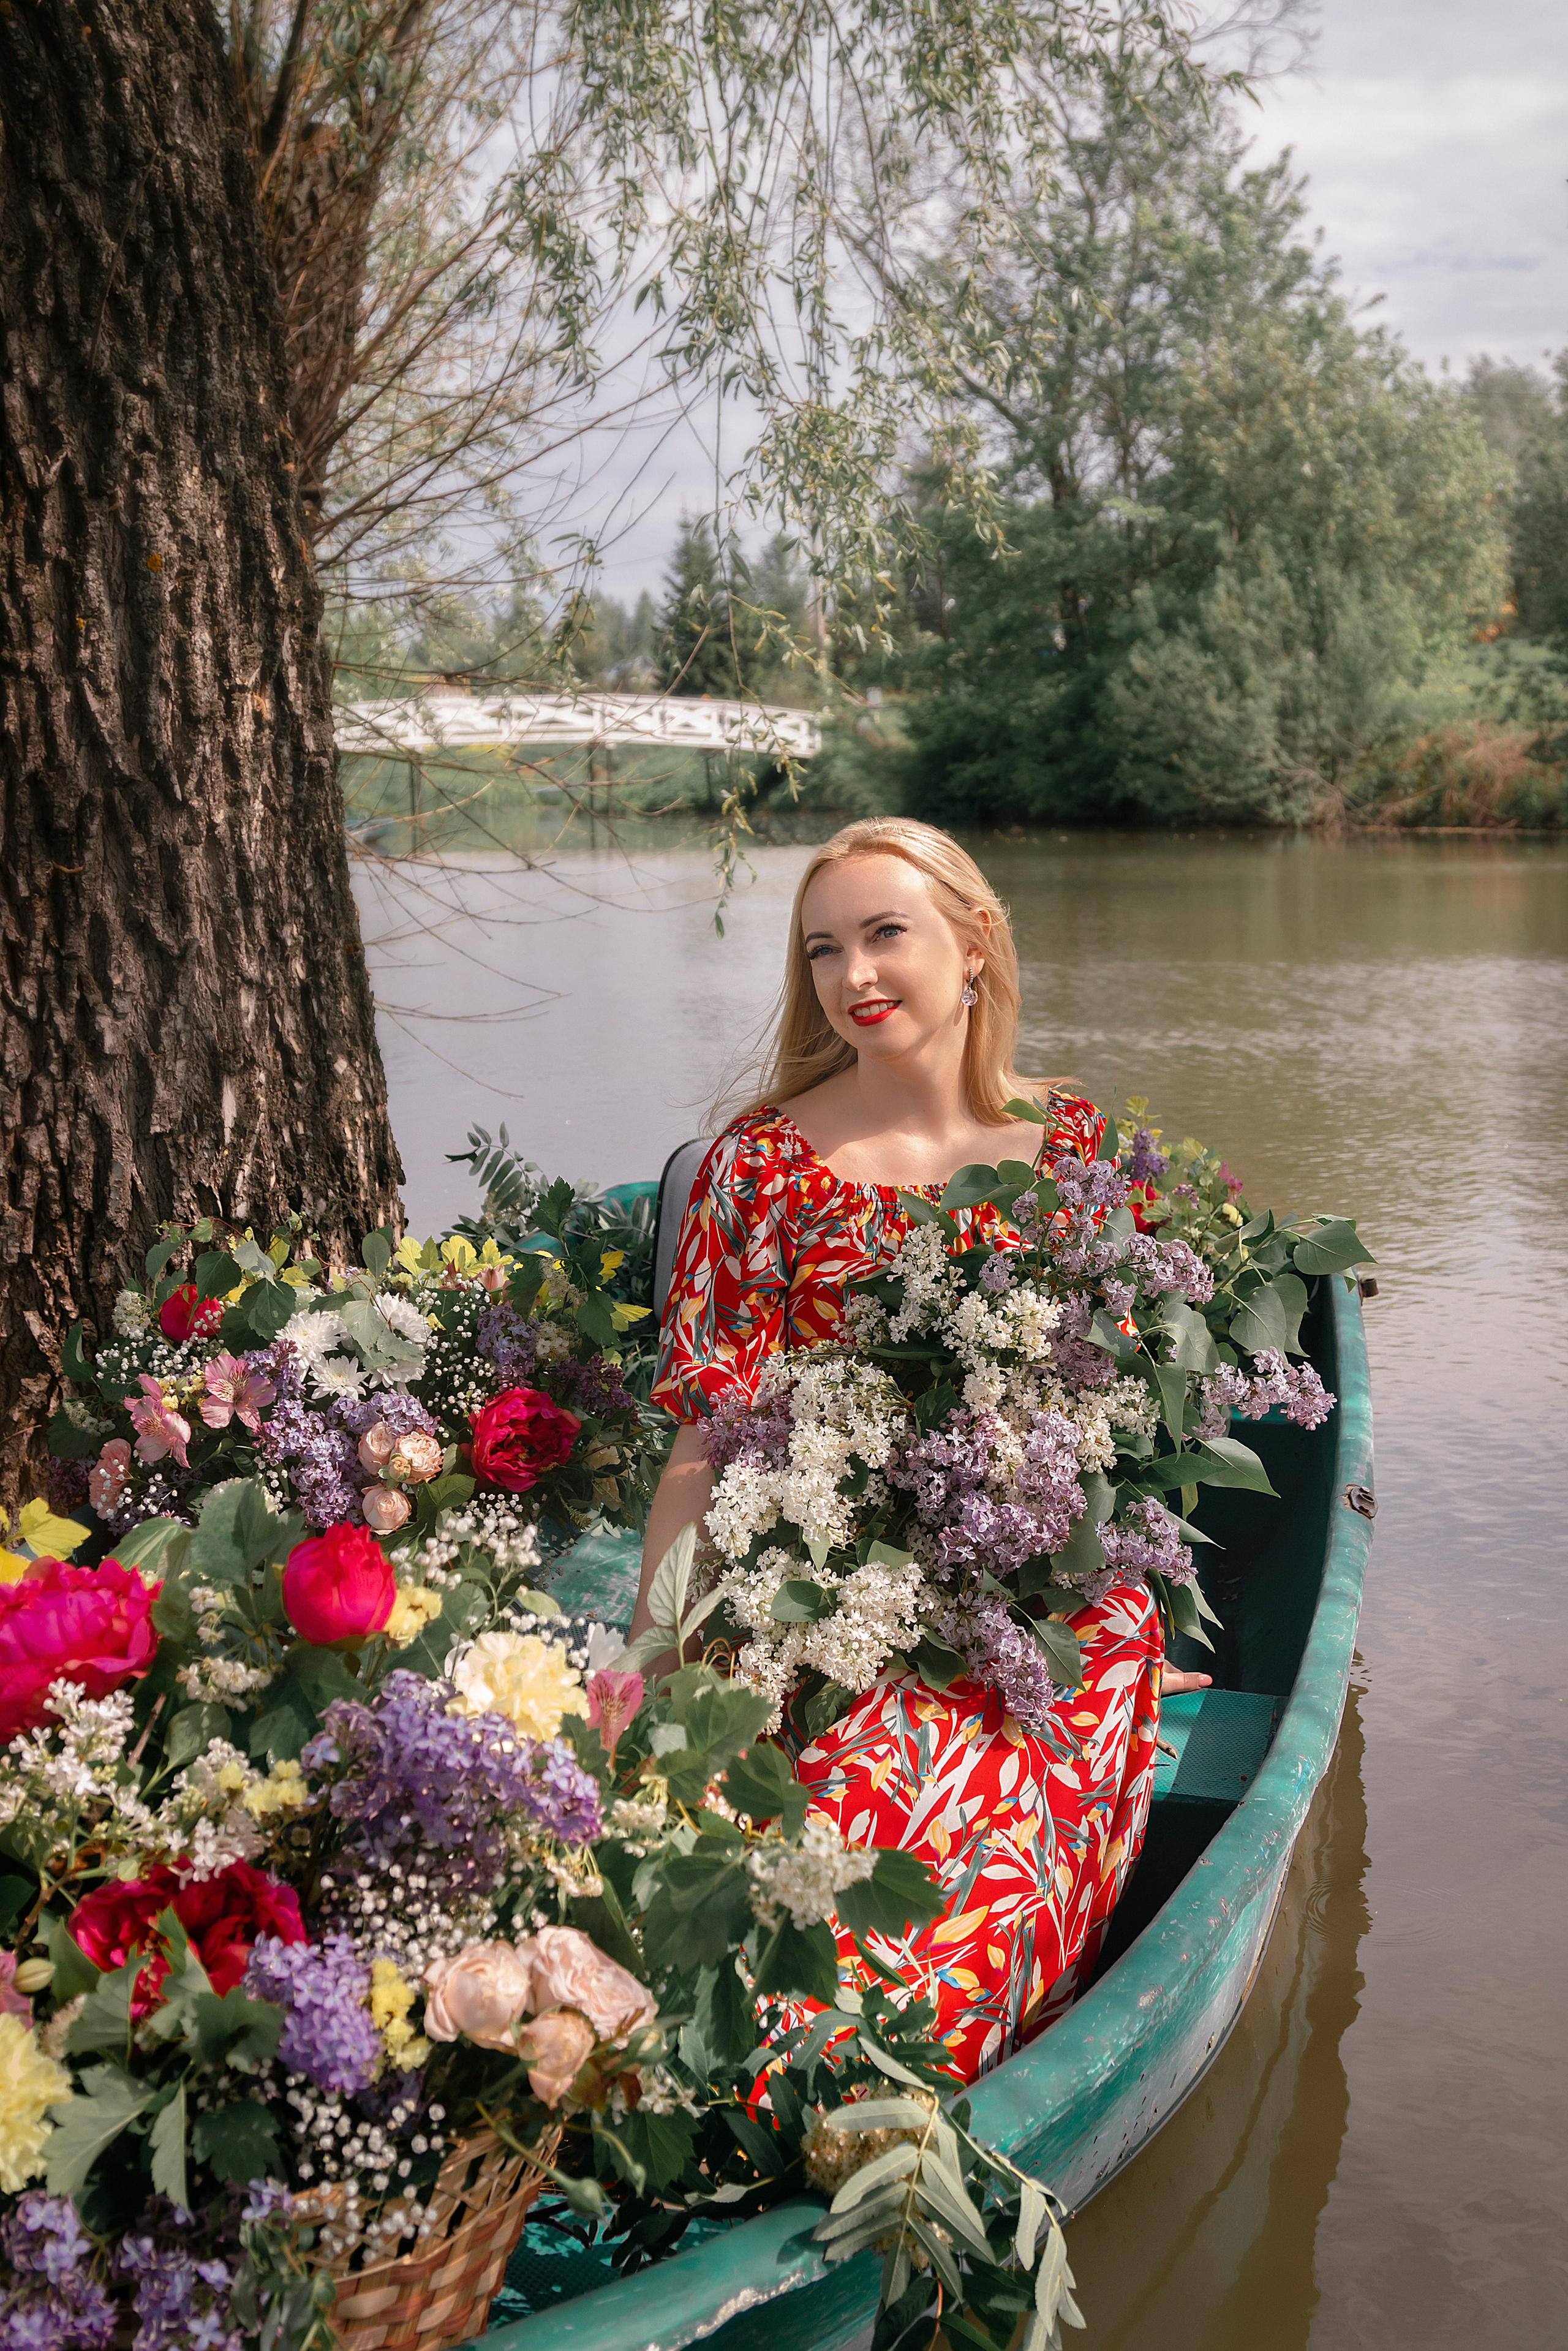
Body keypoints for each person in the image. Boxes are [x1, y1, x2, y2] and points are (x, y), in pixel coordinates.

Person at [633, 817, 1208, 2079]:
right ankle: (778, 2067)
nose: (853, 975)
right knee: (798, 1830)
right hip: (818, 1583)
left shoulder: (1076, 1148)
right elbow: (704, 1432)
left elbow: (1114, 1411)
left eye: (885, 933)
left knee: (982, 1839)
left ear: (975, 941)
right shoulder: (759, 1166)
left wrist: (1117, 1593)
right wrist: (656, 1651)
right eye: (822, 948)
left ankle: (894, 2073)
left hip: (1037, 1590)